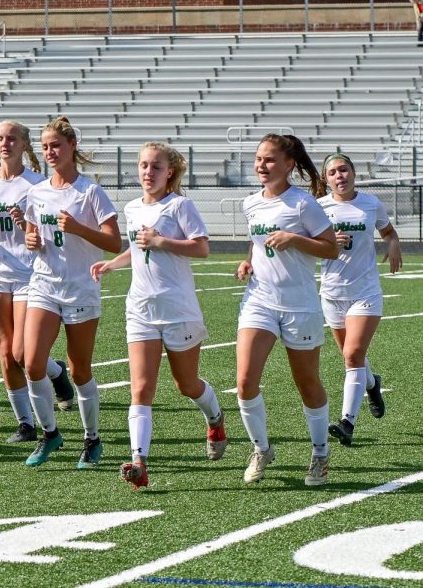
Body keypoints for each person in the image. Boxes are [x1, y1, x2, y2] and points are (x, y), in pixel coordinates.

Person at [91, 142, 226, 489]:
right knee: (141, 388)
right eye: (143, 166)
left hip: (177, 309)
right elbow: (138, 248)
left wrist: (162, 241)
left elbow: (202, 247)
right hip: (140, 309)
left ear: (170, 172)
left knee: (186, 385)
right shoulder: (133, 207)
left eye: (156, 167)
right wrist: (112, 264)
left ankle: (215, 417)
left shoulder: (180, 205)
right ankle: (139, 463)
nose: (148, 172)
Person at [234, 134, 338, 486]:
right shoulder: (250, 203)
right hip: (259, 300)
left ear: (289, 164)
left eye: (270, 160)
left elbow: (331, 249)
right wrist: (247, 262)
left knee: (306, 383)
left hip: (299, 305)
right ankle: (261, 448)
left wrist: (294, 239)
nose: (262, 166)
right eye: (259, 159)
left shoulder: (302, 205)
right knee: (245, 381)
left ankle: (321, 454)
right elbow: (256, 242)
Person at [0, 120, 76, 443]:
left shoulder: (37, 184)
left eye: (11, 138)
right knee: (4, 351)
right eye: (0, 138)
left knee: (22, 354)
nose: (5, 143)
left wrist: (28, 228)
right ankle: (25, 423)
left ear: (24, 144)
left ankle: (55, 373)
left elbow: (46, 229)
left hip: (30, 273)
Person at [21, 117, 122, 469]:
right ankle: (50, 435)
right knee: (31, 362)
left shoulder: (90, 192)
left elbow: (114, 242)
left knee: (80, 370)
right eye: (46, 146)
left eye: (56, 146)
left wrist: (79, 228)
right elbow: (33, 236)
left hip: (81, 288)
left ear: (72, 145)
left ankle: (92, 439)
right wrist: (30, 240)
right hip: (44, 284)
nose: (50, 152)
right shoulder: (36, 192)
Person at [318, 153, 402, 447]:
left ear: (353, 173)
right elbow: (307, 247)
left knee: (353, 356)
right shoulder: (318, 208)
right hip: (331, 293)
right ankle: (372, 384)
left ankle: (347, 423)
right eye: (332, 172)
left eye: (344, 169)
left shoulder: (370, 203)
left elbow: (388, 232)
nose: (339, 175)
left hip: (365, 291)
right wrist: (327, 243)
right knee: (351, 357)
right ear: (325, 179)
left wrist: (393, 245)